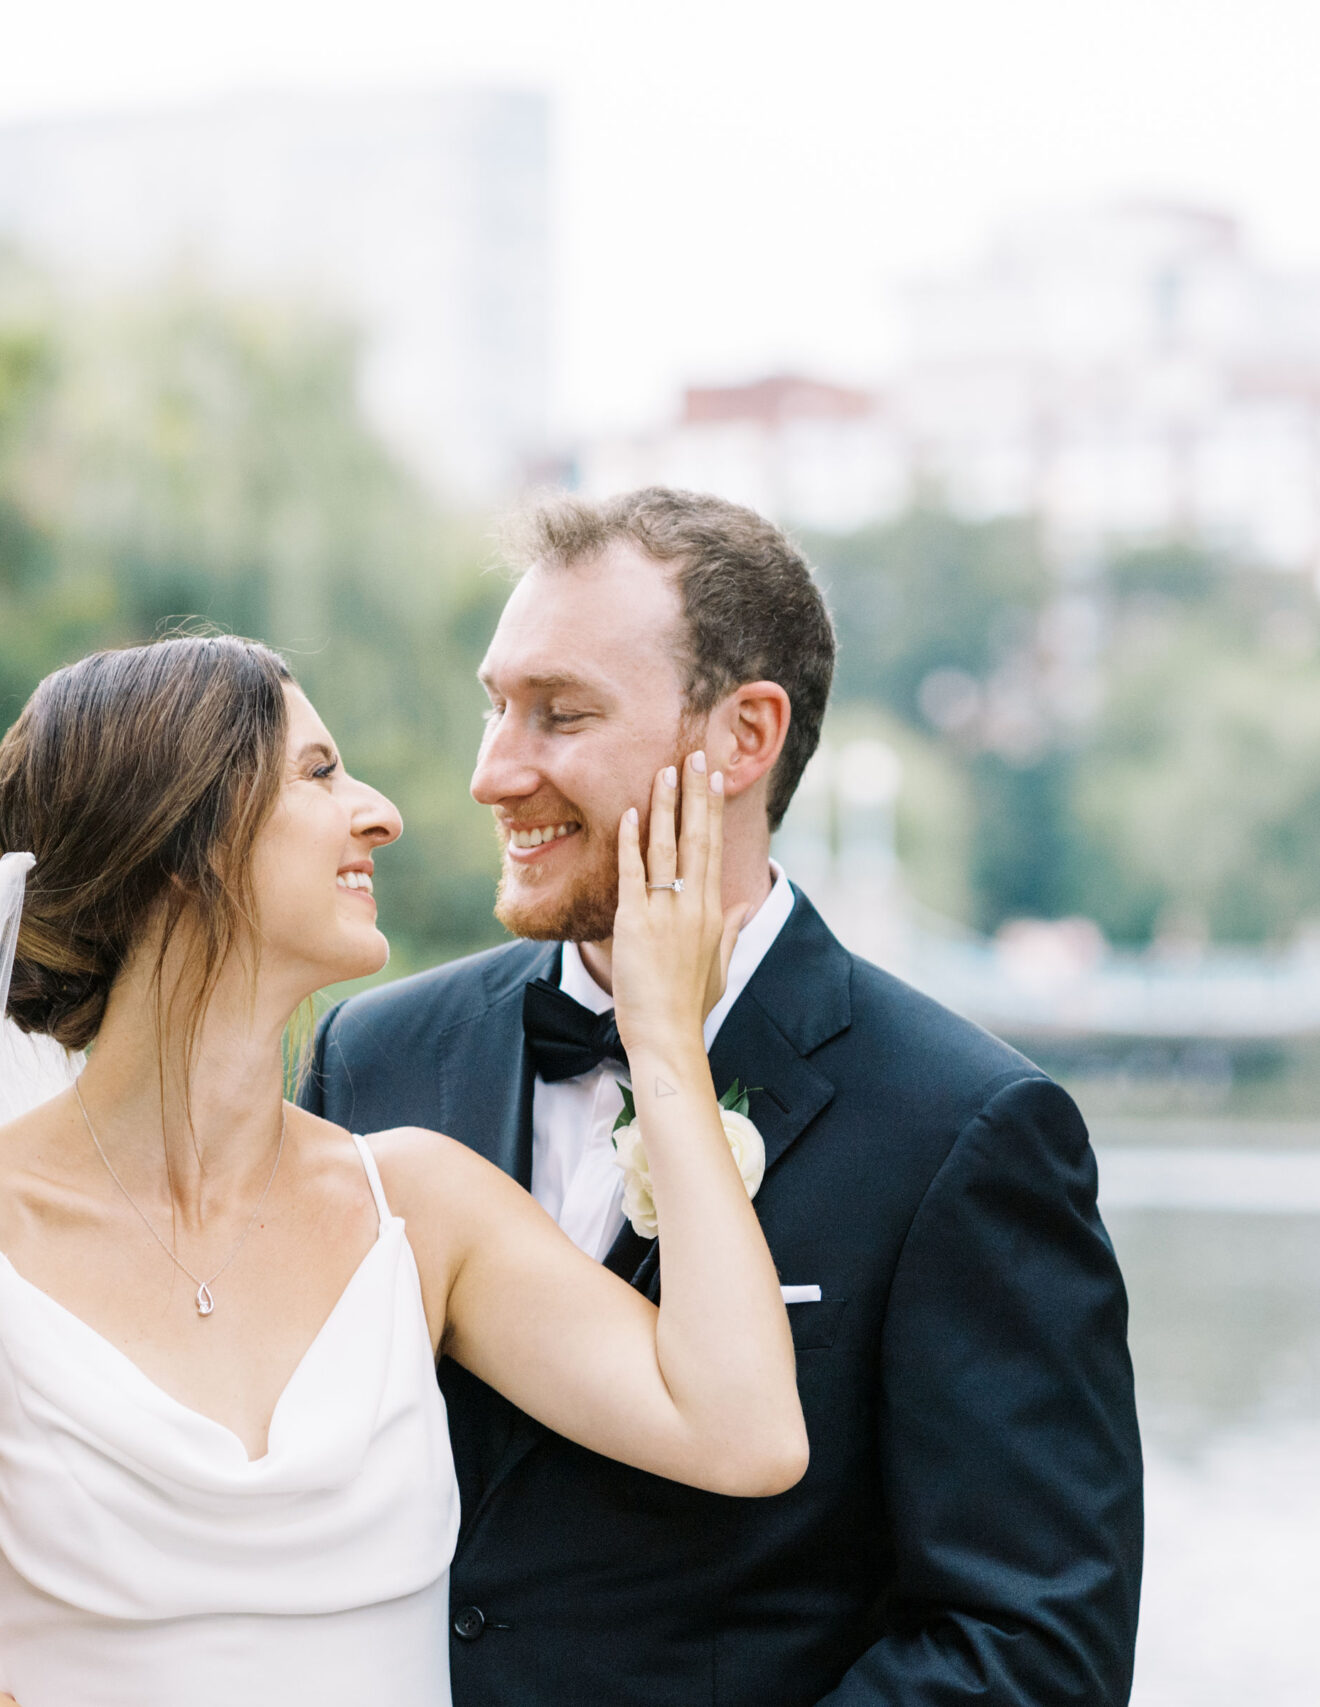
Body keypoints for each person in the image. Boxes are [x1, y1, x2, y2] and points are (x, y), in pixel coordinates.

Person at [0, 633, 806, 1707]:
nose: (382, 814)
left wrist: (663, 1040)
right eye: (318, 774)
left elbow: (742, 1431)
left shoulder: (419, 1205)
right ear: (183, 846)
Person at [301, 488, 1144, 1706]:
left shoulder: (965, 1130)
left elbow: (1028, 1650)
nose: (493, 773)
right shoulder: (374, 1058)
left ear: (744, 737)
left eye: (561, 715)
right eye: (497, 708)